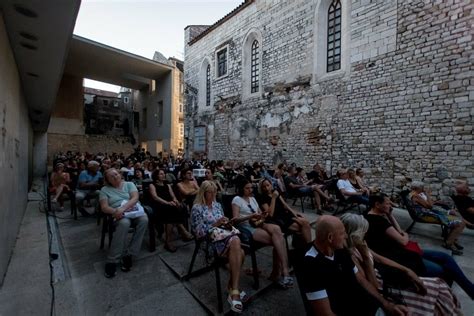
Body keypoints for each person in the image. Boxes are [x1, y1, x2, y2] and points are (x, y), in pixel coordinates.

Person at [340, 213, 461, 315]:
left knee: (441, 287)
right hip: (382, 286)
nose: (365, 234)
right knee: (437, 290)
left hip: (387, 274)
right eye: (363, 232)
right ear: (353, 233)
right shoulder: (350, 255)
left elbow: (380, 259)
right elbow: (373, 285)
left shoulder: (360, 244)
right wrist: (366, 257)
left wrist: (407, 270)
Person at [365, 193, 474, 299]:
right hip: (397, 256)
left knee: (445, 257)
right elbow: (403, 240)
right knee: (441, 270)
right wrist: (406, 235)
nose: (391, 205)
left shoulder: (373, 217)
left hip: (402, 251)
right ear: (377, 205)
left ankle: (470, 290)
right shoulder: (378, 221)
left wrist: (390, 215)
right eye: (388, 203)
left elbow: (399, 232)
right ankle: (444, 297)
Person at [300, 215, 408, 316]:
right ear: (330, 237)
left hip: (371, 307)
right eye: (342, 233)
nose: (346, 236)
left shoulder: (340, 251)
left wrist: (387, 304)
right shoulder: (312, 265)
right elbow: (325, 313)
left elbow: (362, 280)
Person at [191, 181, 246, 313]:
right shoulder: (197, 208)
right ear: (203, 193)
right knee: (239, 249)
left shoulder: (217, 205)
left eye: (215, 191)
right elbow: (199, 233)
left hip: (224, 237)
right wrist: (216, 223)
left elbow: (222, 223)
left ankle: (233, 289)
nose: (214, 194)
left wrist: (226, 223)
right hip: (209, 242)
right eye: (211, 192)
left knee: (238, 245)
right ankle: (233, 290)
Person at [231, 179, 293, 288]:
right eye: (247, 188)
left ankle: (282, 271)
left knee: (277, 231)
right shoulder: (237, 199)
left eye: (251, 187)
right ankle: (280, 273)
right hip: (247, 227)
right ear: (242, 189)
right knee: (279, 240)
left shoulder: (253, 198)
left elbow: (260, 212)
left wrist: (262, 214)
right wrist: (250, 216)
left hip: (258, 223)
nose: (250, 190)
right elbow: (235, 220)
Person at [99, 168, 149, 278]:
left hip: (133, 209)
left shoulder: (129, 184)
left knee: (144, 220)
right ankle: (112, 259)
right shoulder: (104, 190)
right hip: (118, 214)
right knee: (124, 224)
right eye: (112, 176)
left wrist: (123, 208)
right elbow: (104, 207)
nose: (115, 176)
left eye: (116, 174)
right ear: (108, 180)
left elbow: (135, 198)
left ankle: (129, 254)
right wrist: (116, 211)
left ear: (120, 174)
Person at [409, 181, 465, 254]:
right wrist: (428, 195)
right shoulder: (416, 195)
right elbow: (430, 206)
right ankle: (449, 243)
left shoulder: (412, 194)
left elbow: (428, 205)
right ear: (417, 188)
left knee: (456, 218)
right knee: (460, 223)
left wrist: (432, 201)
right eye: (422, 187)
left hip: (425, 213)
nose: (423, 189)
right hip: (425, 215)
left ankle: (453, 240)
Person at [148, 169, 193, 252]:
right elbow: (155, 197)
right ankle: (183, 231)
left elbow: (173, 195)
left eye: (164, 174)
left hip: (169, 205)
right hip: (159, 206)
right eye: (161, 174)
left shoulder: (167, 185)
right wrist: (167, 203)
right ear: (156, 176)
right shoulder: (152, 185)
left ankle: (168, 242)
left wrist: (175, 201)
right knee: (172, 210)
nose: (164, 175)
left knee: (178, 208)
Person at [257, 179, 311, 243]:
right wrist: (273, 198)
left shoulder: (275, 191)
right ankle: (305, 245)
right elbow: (270, 214)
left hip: (285, 214)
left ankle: (308, 245)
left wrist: (294, 213)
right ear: (261, 188)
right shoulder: (262, 197)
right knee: (300, 227)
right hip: (277, 218)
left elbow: (285, 205)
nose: (267, 188)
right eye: (264, 187)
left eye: (268, 185)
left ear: (271, 185)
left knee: (306, 222)